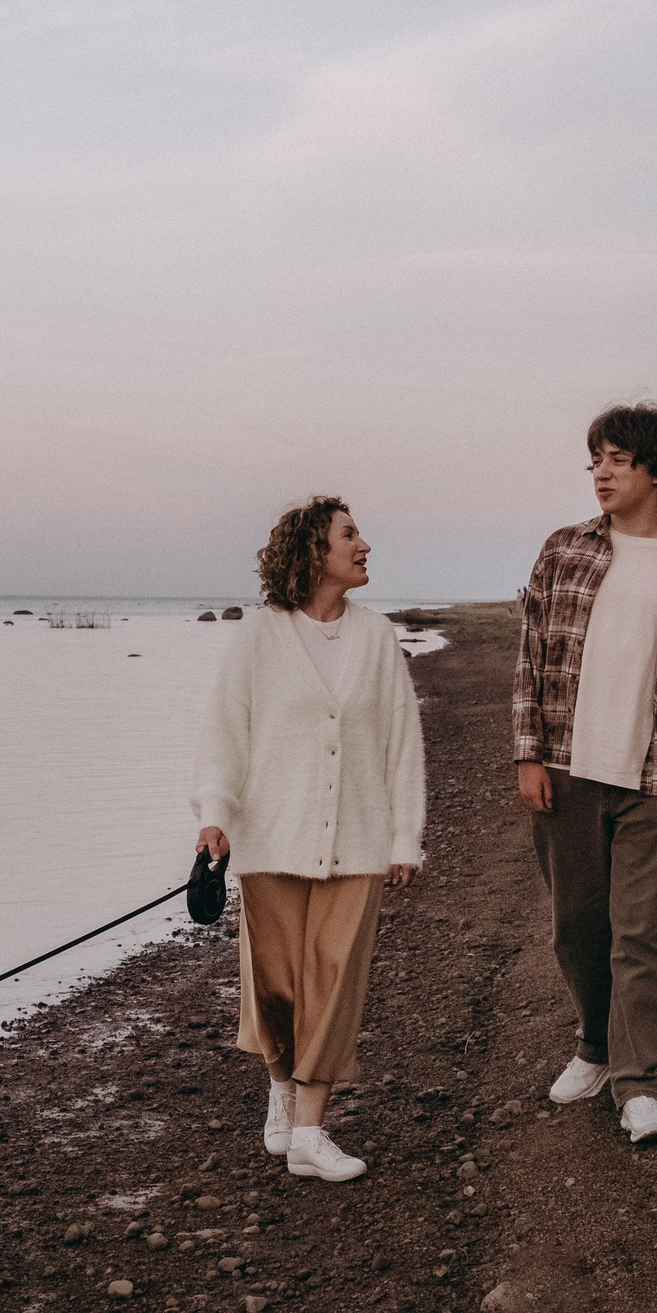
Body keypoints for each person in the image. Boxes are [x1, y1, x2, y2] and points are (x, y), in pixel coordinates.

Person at [512, 403, 657, 1145]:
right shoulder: (563, 551)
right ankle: (597, 1046)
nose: (601, 473)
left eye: (616, 460)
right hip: (568, 770)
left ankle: (640, 1085)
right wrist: (527, 752)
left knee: (644, 932)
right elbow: (532, 657)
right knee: (577, 928)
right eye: (594, 461)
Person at [193, 497, 426, 1182]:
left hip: (356, 840)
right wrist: (215, 813)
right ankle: (282, 1089)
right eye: (350, 535)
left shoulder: (378, 637)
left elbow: (401, 742)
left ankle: (310, 1132)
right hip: (269, 841)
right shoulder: (259, 638)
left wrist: (404, 836)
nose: (365, 545)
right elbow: (224, 734)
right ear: (312, 550)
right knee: (277, 986)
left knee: (334, 979)